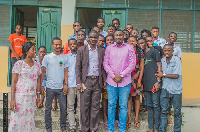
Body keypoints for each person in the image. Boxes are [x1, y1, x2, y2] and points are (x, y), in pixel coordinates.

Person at [103, 30, 136, 132]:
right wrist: (113, 75)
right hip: (111, 81)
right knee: (111, 105)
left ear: (123, 36)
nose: (118, 37)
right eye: (116, 35)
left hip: (125, 81)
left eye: (120, 35)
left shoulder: (129, 48)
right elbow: (105, 63)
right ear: (114, 36)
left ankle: (122, 129)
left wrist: (121, 75)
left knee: (123, 106)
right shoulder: (109, 48)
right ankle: (111, 129)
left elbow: (132, 63)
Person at [76, 30, 106, 132]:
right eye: (91, 37)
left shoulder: (101, 50)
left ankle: (93, 128)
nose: (93, 39)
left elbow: (102, 67)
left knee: (95, 106)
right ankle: (85, 129)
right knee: (84, 106)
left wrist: (104, 81)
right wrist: (79, 82)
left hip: (97, 81)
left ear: (98, 39)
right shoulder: (81, 50)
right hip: (86, 82)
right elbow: (78, 67)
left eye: (95, 37)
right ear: (88, 39)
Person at [9, 42, 41, 132]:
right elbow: (14, 82)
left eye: (35, 49)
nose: (35, 51)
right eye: (33, 49)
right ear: (26, 51)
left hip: (31, 97)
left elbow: (38, 82)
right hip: (20, 97)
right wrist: (12, 99)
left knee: (29, 120)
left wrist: (38, 97)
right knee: (17, 119)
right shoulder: (18, 64)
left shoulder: (37, 65)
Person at [41, 37, 68, 132]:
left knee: (64, 108)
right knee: (48, 109)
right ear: (52, 45)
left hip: (61, 88)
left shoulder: (64, 57)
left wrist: (66, 84)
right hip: (49, 87)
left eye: (59, 44)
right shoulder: (47, 57)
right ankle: (48, 128)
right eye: (56, 44)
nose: (58, 46)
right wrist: (41, 85)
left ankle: (63, 127)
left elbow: (65, 71)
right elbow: (43, 71)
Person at [156, 44, 182, 132]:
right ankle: (162, 130)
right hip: (165, 89)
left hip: (176, 91)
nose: (167, 52)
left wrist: (163, 75)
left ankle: (177, 130)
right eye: (165, 50)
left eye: (169, 50)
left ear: (172, 51)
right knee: (164, 111)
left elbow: (176, 75)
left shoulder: (177, 60)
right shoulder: (162, 60)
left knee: (177, 113)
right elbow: (159, 74)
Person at [138, 37, 162, 132]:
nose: (141, 45)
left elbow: (159, 65)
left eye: (143, 43)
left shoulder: (154, 51)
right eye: (139, 44)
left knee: (156, 106)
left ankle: (157, 128)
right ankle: (151, 128)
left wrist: (158, 81)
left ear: (146, 43)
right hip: (146, 84)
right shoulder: (142, 55)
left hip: (154, 84)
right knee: (150, 106)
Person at [127, 36, 144, 128]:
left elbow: (141, 68)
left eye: (133, 41)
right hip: (127, 77)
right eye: (129, 41)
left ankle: (136, 118)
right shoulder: (125, 52)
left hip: (136, 76)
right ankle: (129, 118)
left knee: (137, 98)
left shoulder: (140, 53)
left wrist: (139, 80)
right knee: (128, 98)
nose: (131, 43)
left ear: (136, 42)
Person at [66, 38, 81, 132]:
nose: (73, 45)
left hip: (80, 85)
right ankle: (72, 126)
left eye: (74, 43)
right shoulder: (65, 57)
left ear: (77, 44)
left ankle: (81, 126)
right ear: (68, 45)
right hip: (70, 85)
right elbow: (64, 71)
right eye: (71, 44)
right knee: (70, 107)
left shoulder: (81, 56)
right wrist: (65, 84)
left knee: (81, 106)